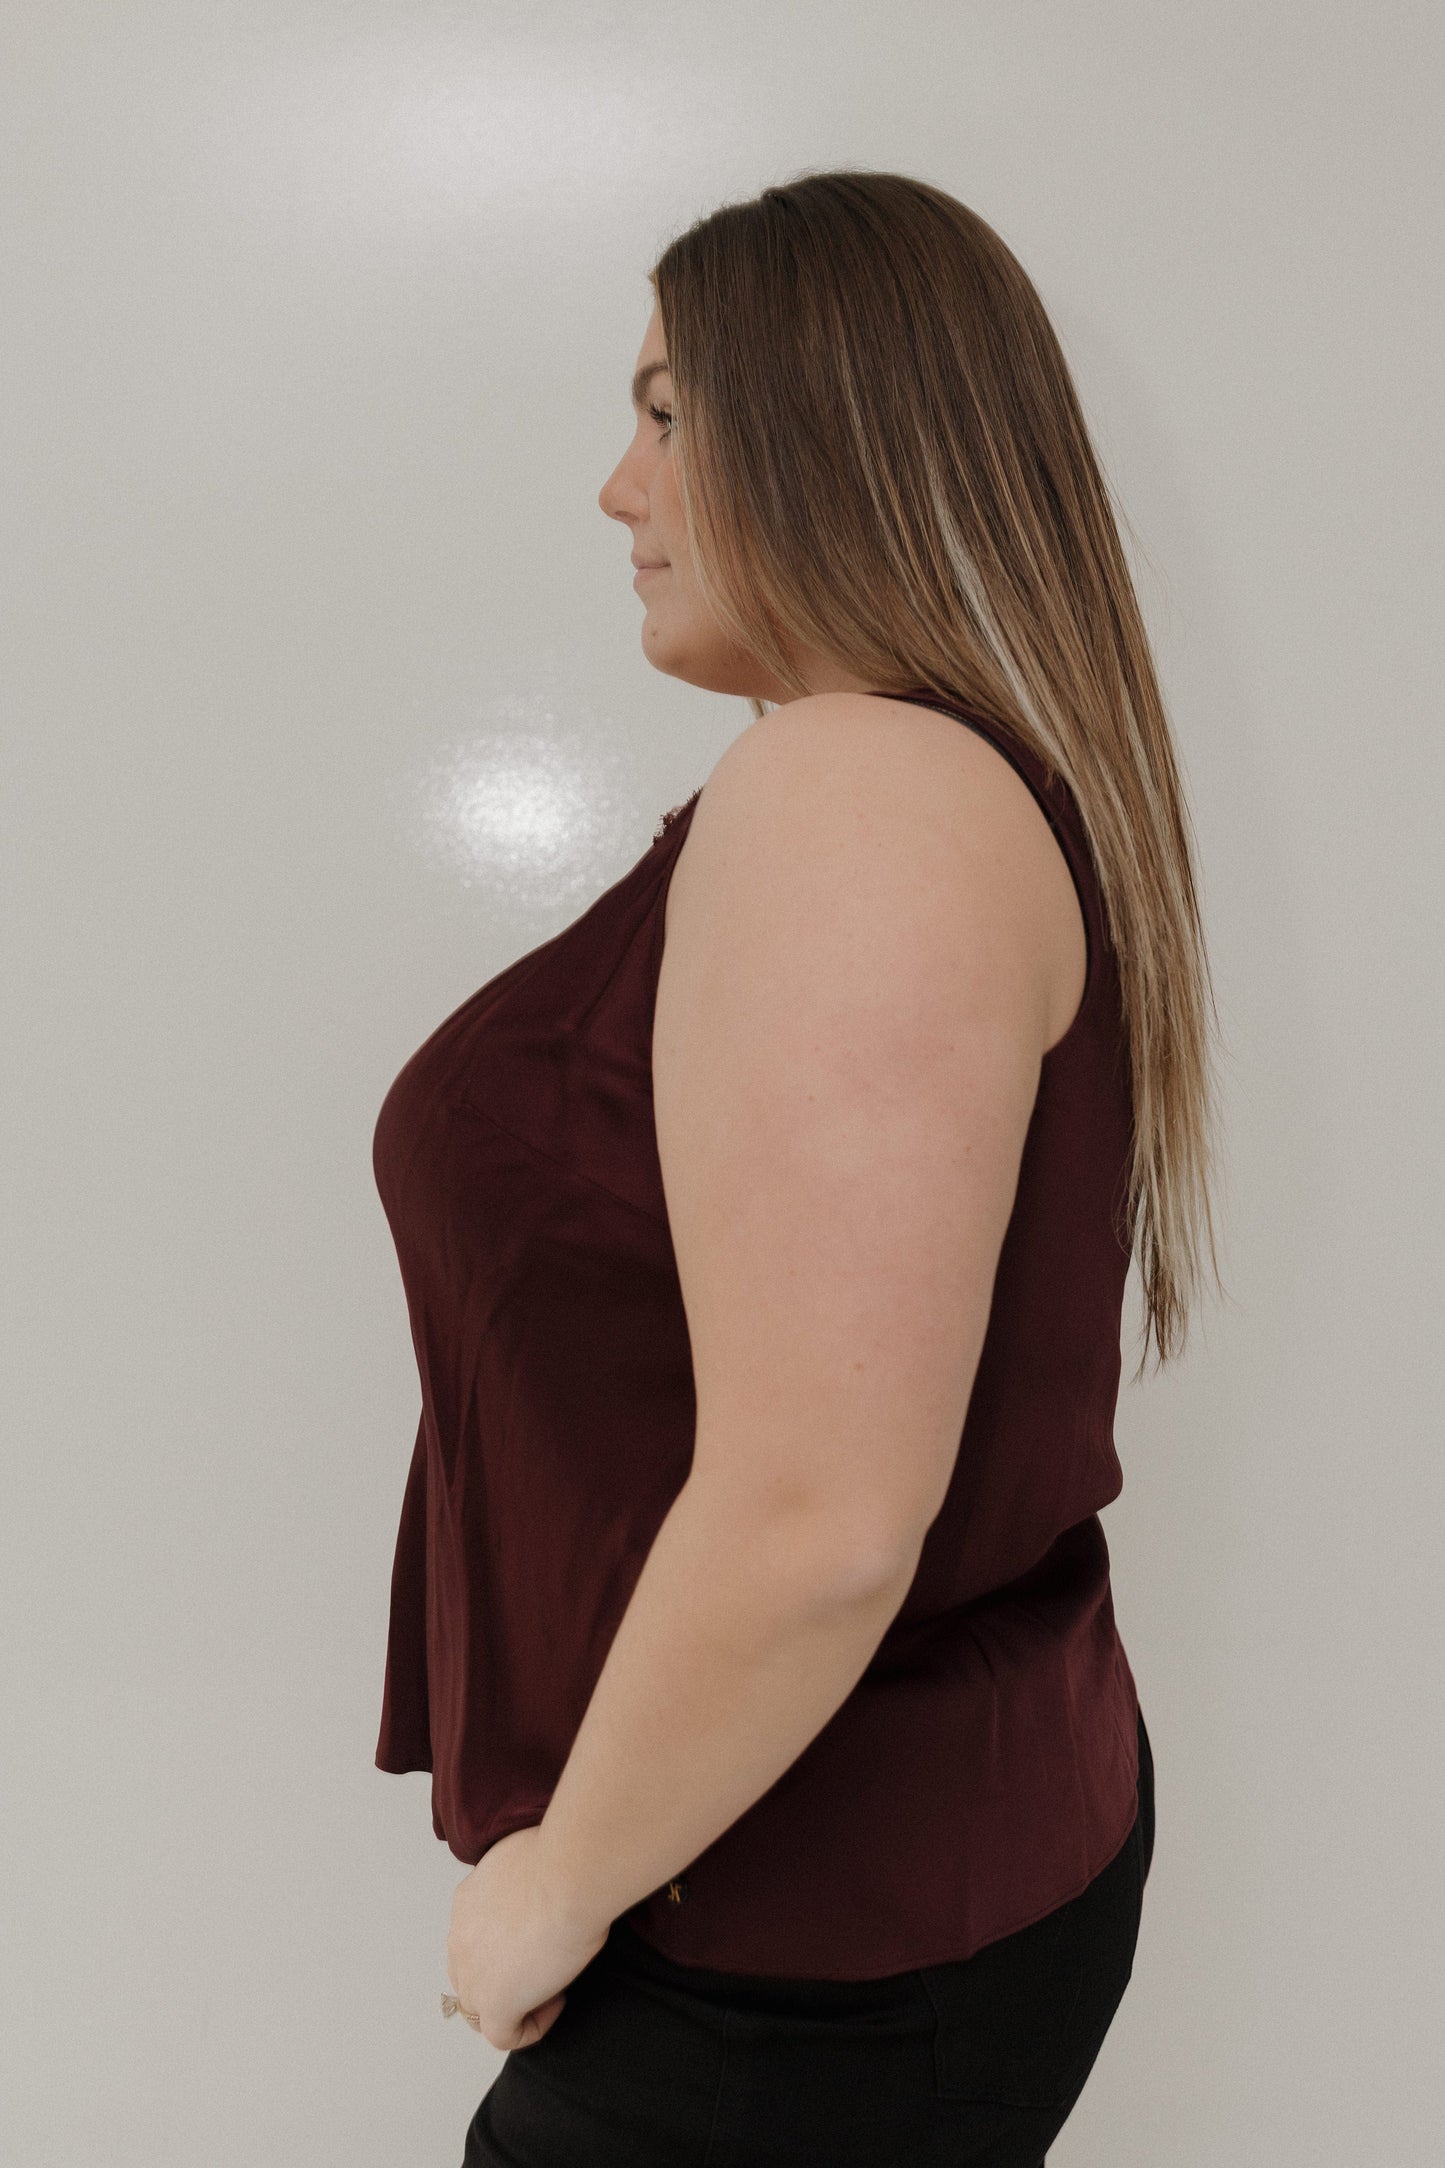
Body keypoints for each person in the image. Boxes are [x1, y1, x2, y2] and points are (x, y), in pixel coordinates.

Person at [372, 169, 1222, 2168]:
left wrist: (563, 1878)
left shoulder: (855, 792)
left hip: (793, 1954)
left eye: (666, 409)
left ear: (831, 422)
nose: (617, 484)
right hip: (882, 1889)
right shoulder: (908, 782)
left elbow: (825, 1512)